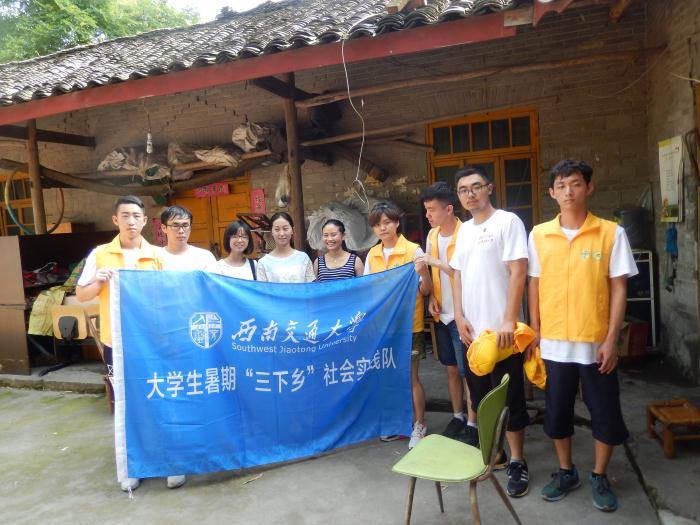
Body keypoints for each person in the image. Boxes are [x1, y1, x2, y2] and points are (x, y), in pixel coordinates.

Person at [527, 159, 637, 512]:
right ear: (551, 193)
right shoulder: (539, 234)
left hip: (595, 343)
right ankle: (566, 471)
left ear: (589, 187)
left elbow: (619, 289)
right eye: (561, 186)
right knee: (557, 413)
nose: (568, 191)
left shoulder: (610, 233)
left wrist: (612, 339)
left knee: (605, 412)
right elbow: (534, 284)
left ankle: (599, 475)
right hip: (554, 343)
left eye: (575, 184)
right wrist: (535, 331)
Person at [75, 195, 168, 492]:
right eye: (125, 216)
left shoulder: (157, 256)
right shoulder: (100, 254)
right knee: (126, 403)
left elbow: (168, 296)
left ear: (145, 221)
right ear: (115, 220)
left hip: (151, 342)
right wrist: (99, 282)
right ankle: (133, 464)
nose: (131, 221)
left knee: (158, 396)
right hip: (116, 342)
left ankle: (166, 460)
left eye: (136, 216)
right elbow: (82, 295)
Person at [449, 166, 530, 498]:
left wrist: (509, 319)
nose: (470, 194)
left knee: (510, 399)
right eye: (463, 190)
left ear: (490, 188)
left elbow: (518, 271)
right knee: (480, 397)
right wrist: (458, 316)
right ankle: (495, 455)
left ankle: (518, 460)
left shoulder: (508, 222)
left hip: (503, 333)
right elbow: (456, 274)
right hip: (472, 333)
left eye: (476, 187)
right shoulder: (464, 231)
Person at [364, 202, 432, 449]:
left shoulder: (413, 250)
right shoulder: (372, 254)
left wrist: (423, 273)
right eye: (377, 224)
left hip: (408, 326)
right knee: (390, 377)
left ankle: (419, 424)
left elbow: (426, 290)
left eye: (387, 222)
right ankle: (398, 424)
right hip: (383, 327)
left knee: (411, 377)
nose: (382, 228)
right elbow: (368, 290)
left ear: (396, 223)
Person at [415, 182, 477, 444]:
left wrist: (434, 261)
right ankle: (457, 415)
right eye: (426, 210)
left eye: (432, 210)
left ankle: (473, 423)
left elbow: (465, 272)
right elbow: (431, 274)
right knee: (451, 369)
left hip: (464, 315)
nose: (427, 215)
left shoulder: (467, 233)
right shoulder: (432, 236)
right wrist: (431, 298)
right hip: (442, 314)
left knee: (468, 372)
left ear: (449, 209)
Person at [257, 212, 315, 283]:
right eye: (277, 229)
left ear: (292, 230)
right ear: (271, 232)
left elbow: (310, 287)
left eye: (285, 229)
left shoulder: (303, 258)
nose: (281, 233)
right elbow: (262, 289)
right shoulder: (263, 263)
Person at [159, 205, 216, 271]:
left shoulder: (205, 257)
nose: (181, 231)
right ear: (164, 228)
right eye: (175, 226)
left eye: (185, 225)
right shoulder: (156, 257)